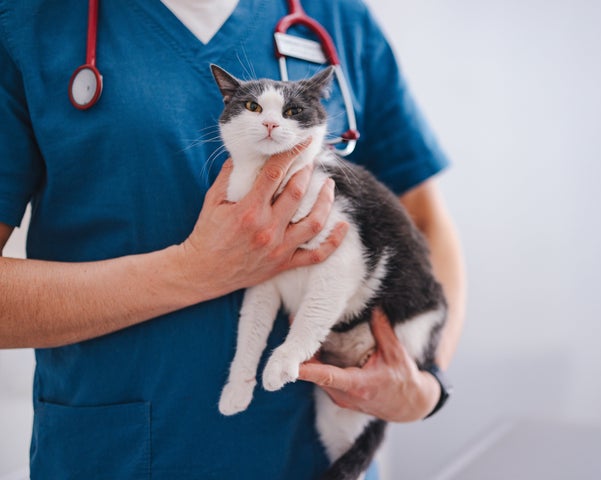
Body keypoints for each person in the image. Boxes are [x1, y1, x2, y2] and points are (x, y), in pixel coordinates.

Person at [0, 0, 466, 478]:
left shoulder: (340, 18)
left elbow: (423, 225)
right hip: (124, 455)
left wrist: (425, 383)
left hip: (313, 454)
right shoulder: (28, 23)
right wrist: (192, 271)